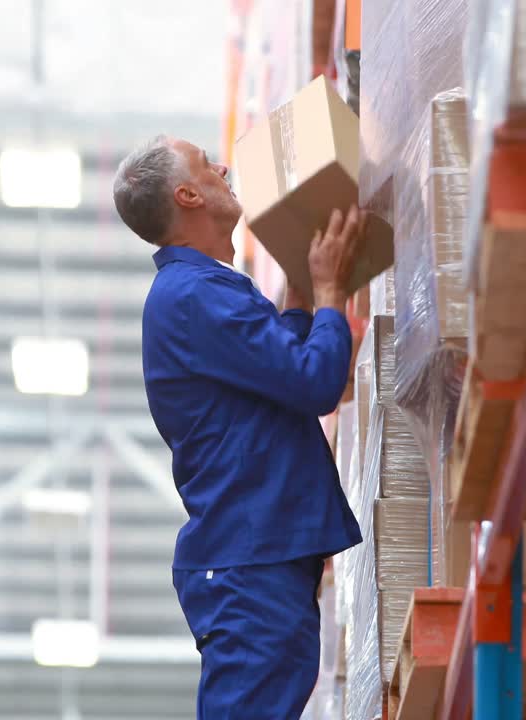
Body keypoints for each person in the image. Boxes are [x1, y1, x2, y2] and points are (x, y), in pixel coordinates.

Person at [112, 135, 366, 718]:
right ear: (188, 195)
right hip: (249, 564)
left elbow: (276, 379)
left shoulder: (201, 292)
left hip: (257, 558)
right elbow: (314, 383)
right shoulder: (193, 295)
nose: (223, 168)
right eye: (207, 164)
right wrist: (329, 294)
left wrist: (302, 301)